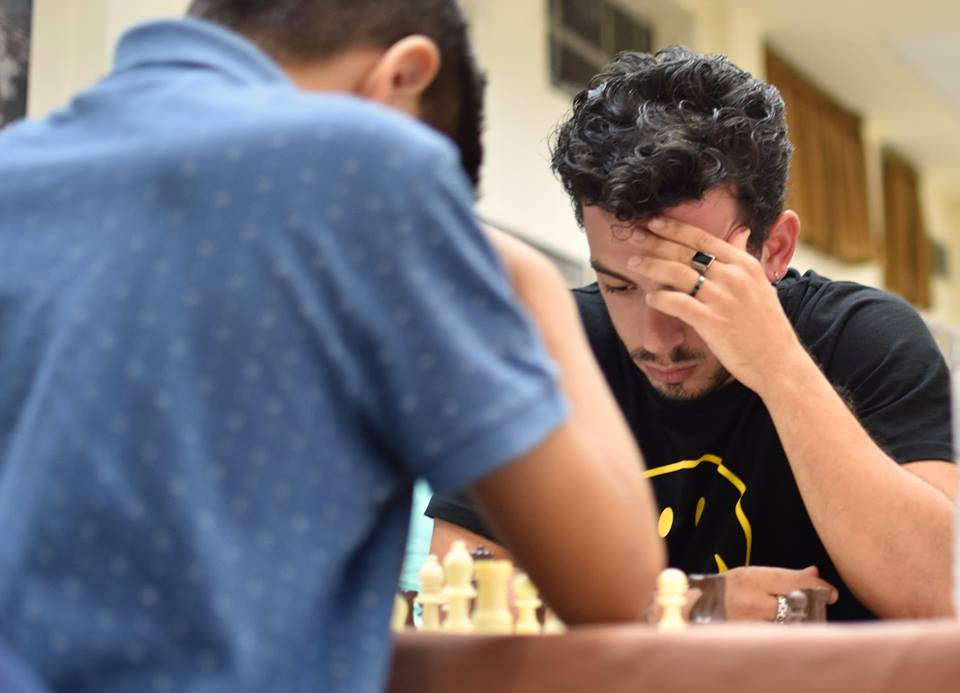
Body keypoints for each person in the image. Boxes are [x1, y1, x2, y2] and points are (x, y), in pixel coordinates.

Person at [0, 2, 666, 691]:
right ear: (402, 76)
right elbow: (615, 582)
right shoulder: (369, 164)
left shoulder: (15, 167)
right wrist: (530, 284)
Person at [428, 46, 958, 622]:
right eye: (619, 287)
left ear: (775, 248)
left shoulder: (864, 337)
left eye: (693, 283)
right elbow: (462, 594)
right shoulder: (552, 346)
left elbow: (940, 592)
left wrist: (779, 367)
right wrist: (694, 606)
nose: (657, 337)